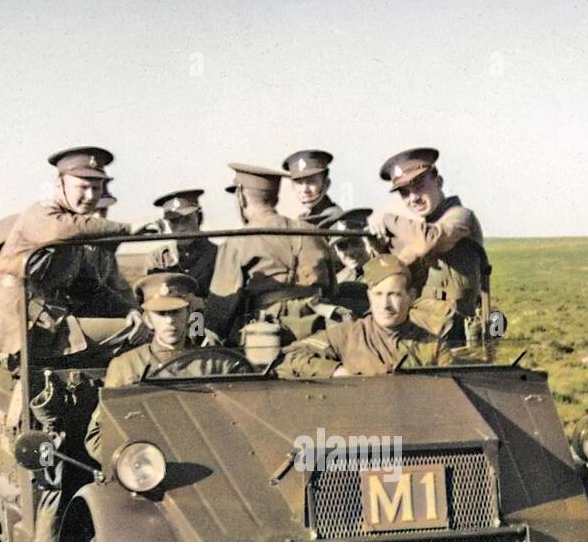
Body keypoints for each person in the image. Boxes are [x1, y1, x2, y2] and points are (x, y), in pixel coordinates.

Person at [0, 146, 135, 362]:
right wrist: (125, 229)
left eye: (96, 188)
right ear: (60, 184)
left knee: (133, 327)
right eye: (83, 187)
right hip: (15, 330)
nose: (90, 196)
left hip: (42, 324)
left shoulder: (72, 235)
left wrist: (130, 311)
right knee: (137, 334)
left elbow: (91, 287)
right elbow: (63, 229)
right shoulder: (42, 215)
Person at [85, 273, 245, 454]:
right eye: (160, 313)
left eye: (176, 311)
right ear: (147, 320)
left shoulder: (219, 365)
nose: (169, 321)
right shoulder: (126, 366)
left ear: (189, 313)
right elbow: (99, 439)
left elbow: (245, 426)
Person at [203, 163, 334, 343]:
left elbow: (219, 313)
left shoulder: (237, 241)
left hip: (268, 338)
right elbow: (333, 288)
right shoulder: (313, 232)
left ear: (241, 196)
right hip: (319, 332)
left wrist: (204, 333)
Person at [367, 147, 485, 345]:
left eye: (419, 186)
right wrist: (378, 248)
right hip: (425, 324)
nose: (413, 198)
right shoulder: (419, 230)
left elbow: (427, 242)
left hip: (452, 330)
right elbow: (390, 275)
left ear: (438, 182)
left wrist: (388, 219)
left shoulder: (460, 216)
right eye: (405, 193)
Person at [277, 255, 450, 378]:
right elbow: (291, 356)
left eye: (394, 295)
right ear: (369, 297)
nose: (385, 305)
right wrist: (336, 371)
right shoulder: (348, 335)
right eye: (378, 294)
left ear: (411, 297)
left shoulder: (433, 346)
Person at [146, 189, 217, 292]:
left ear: (199, 218)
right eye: (174, 221)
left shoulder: (218, 256)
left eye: (187, 220)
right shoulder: (160, 258)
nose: (181, 228)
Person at [281, 149, 338, 226]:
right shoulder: (303, 218)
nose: (305, 189)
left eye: (311, 181)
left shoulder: (336, 219)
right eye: (299, 182)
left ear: (326, 183)